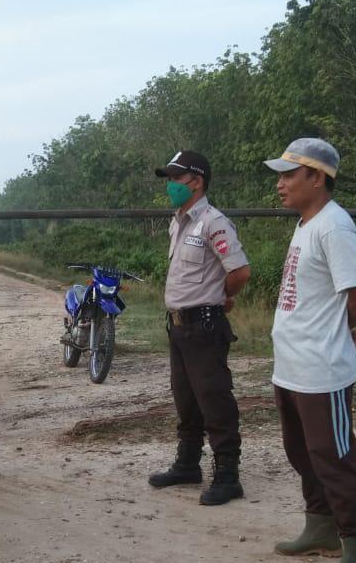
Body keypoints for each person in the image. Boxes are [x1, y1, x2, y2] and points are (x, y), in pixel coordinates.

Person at [263, 138, 356, 562]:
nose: (281, 183)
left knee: (335, 458)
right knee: (302, 452)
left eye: (289, 174)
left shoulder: (335, 226)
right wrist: (336, 326)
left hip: (321, 371)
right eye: (280, 174)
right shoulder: (307, 222)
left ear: (317, 177)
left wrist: (340, 329)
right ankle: (321, 527)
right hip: (292, 367)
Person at [147, 150, 252, 505]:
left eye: (176, 178)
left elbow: (239, 271)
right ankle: (188, 464)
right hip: (178, 325)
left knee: (214, 398)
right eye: (170, 179)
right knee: (186, 398)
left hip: (204, 326)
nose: (171, 186)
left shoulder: (213, 221)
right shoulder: (179, 221)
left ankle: (227, 475)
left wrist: (221, 295)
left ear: (197, 181)